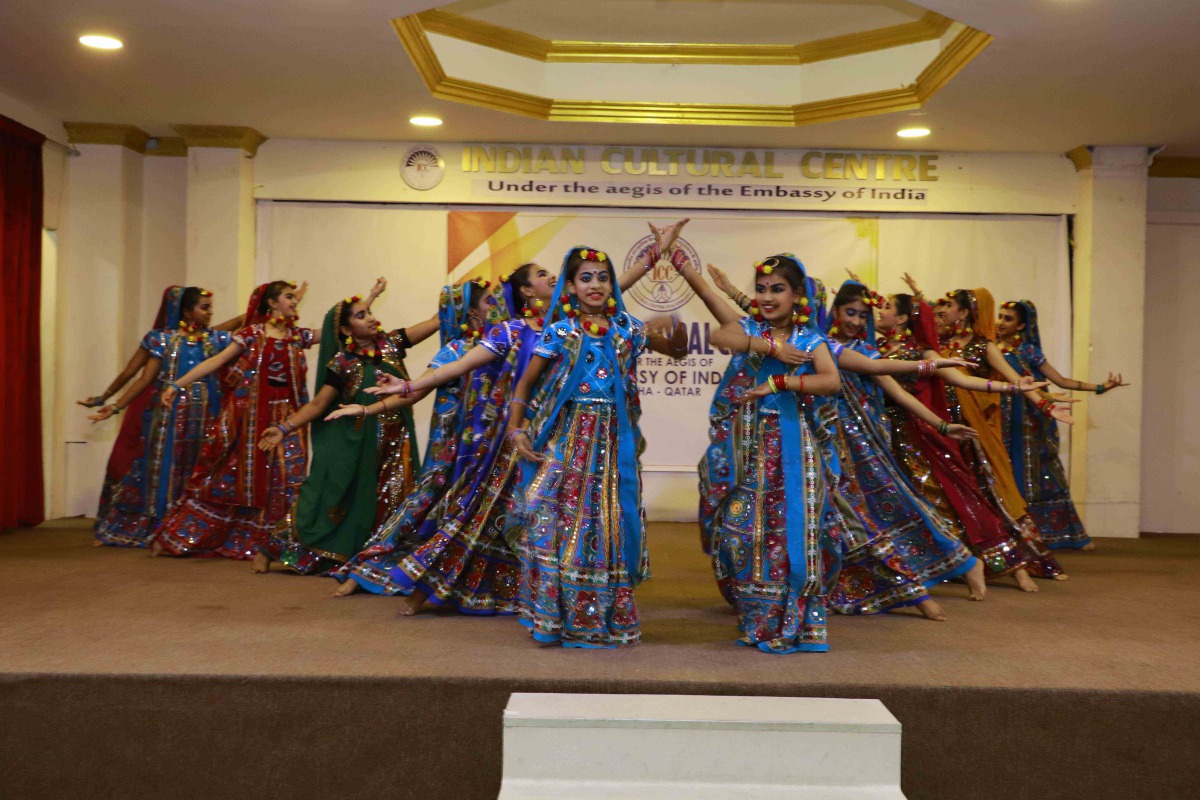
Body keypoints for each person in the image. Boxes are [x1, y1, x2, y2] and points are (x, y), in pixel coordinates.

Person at [331, 221, 690, 616]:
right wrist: (393, 393)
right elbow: (454, 369)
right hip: (516, 446)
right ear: (527, 291)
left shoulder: (584, 326)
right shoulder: (515, 331)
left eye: (592, 278)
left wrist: (659, 255)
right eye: (544, 275)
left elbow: (618, 286)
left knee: (561, 521)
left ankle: (552, 599)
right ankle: (426, 593)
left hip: (566, 441)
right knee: (483, 520)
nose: (556, 278)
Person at [503, 245, 667, 648]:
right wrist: (516, 430)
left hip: (612, 443)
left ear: (612, 285)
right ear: (571, 287)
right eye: (586, 278)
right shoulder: (560, 331)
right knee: (552, 516)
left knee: (606, 520)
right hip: (568, 435)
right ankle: (554, 615)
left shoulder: (627, 328)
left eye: (603, 277)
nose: (596, 285)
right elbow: (525, 384)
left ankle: (598, 616)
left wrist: (674, 331)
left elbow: (675, 349)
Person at [328, 279, 509, 603]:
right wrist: (369, 409)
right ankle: (365, 569)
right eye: (488, 301)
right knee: (422, 503)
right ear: (472, 312)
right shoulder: (455, 350)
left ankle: (463, 580)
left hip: (492, 447)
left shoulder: (506, 343)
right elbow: (414, 391)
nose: (496, 305)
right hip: (452, 449)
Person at [876, 292, 1055, 593]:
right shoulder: (875, 349)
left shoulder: (924, 352)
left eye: (887, 307)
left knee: (959, 499)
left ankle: (1000, 563)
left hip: (924, 437)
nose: (879, 311)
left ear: (904, 318)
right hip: (887, 438)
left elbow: (963, 380)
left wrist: (1012, 387)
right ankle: (928, 569)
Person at [152, 279, 336, 570]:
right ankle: (181, 535)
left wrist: (370, 300)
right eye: (288, 297)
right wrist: (177, 384)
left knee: (291, 476)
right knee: (232, 477)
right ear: (272, 303)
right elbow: (214, 363)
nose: (294, 301)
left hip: (289, 419)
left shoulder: (297, 336)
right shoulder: (253, 334)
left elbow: (337, 331)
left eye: (295, 297)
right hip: (251, 420)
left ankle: (276, 547)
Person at [258, 283, 438, 574]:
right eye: (360, 315)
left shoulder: (392, 344)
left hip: (396, 441)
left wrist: (458, 301)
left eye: (369, 312)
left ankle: (380, 557)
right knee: (331, 498)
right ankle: (273, 548)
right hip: (357, 443)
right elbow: (318, 405)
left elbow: (433, 323)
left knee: (395, 497)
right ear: (345, 330)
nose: (370, 318)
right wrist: (284, 427)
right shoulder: (342, 363)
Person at [81, 287, 245, 533]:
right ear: (188, 312)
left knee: (202, 467)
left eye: (211, 307)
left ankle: (196, 526)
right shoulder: (162, 339)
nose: (210, 312)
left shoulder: (214, 339)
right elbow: (139, 377)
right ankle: (163, 524)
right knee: (167, 465)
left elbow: (245, 321)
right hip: (171, 414)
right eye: (205, 307)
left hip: (207, 413)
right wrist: (111, 404)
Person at [932, 287, 1068, 581]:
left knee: (993, 490)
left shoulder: (984, 347)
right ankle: (964, 562)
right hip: (943, 430)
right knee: (952, 493)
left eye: (950, 306)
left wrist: (1046, 406)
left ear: (965, 313)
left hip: (977, 431)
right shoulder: (938, 344)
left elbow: (1017, 381)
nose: (943, 311)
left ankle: (1024, 563)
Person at [996, 299, 1128, 550]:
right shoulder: (990, 347)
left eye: (1008, 318)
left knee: (1037, 475)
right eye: (1000, 316)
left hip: (1026, 424)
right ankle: (1008, 535)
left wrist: (1100, 387)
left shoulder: (1027, 351)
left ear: (1022, 325)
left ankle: (1048, 534)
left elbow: (1060, 380)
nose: (1000, 322)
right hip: (997, 421)